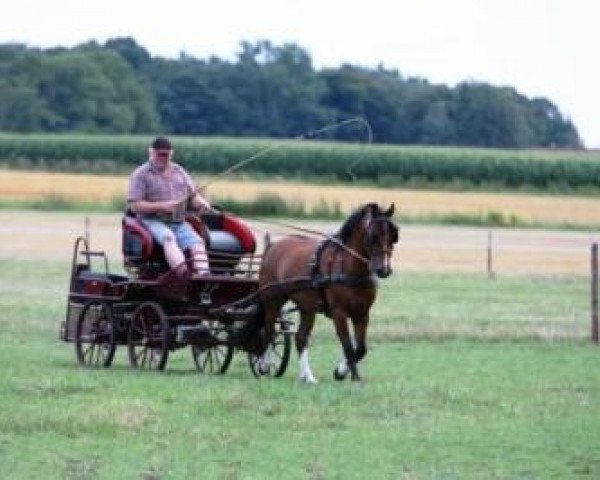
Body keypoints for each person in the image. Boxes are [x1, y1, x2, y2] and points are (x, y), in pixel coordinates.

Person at [127, 136, 211, 278]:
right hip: (151, 221)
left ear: (171, 154)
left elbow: (193, 197)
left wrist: (201, 203)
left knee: (197, 242)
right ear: (151, 153)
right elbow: (135, 206)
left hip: (178, 222)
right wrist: (163, 206)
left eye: (166, 155)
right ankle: (182, 274)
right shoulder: (140, 175)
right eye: (159, 154)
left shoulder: (180, 172)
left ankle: (204, 275)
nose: (163, 158)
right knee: (168, 238)